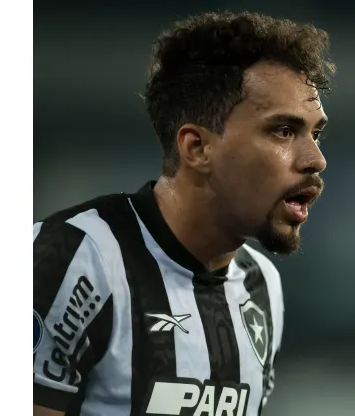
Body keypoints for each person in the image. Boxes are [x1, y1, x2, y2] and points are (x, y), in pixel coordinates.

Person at [33, 11, 334, 416]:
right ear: (197, 148)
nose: (316, 159)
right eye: (283, 131)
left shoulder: (262, 287)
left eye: (315, 134)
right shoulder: (70, 260)